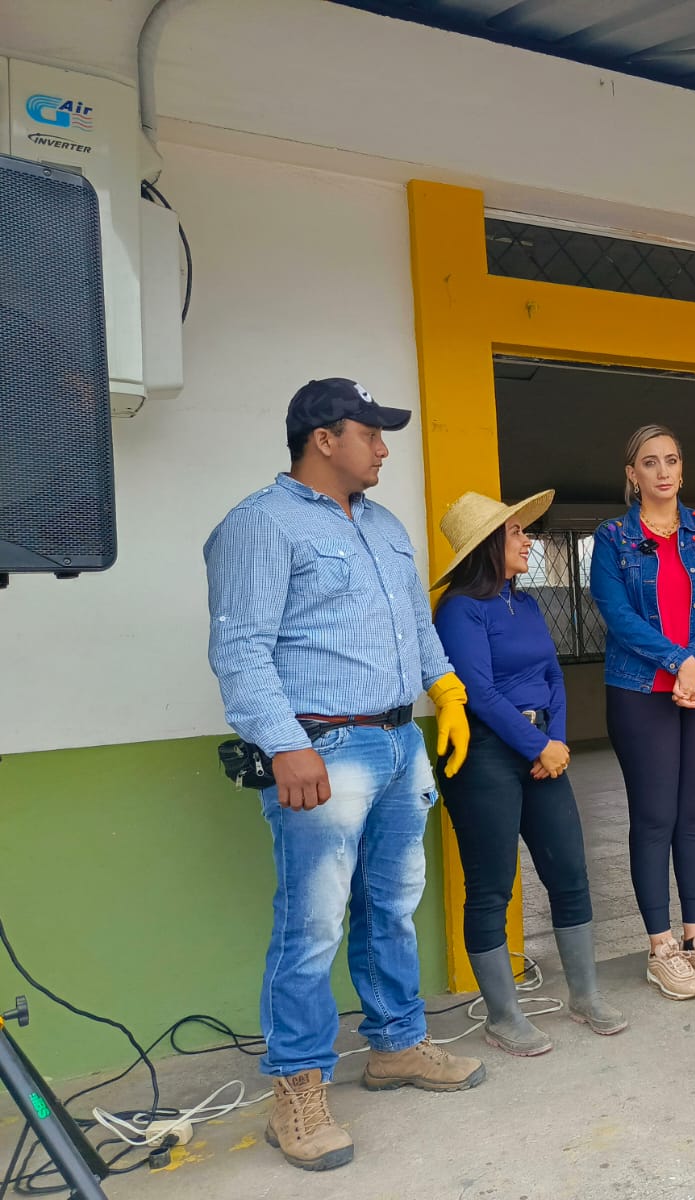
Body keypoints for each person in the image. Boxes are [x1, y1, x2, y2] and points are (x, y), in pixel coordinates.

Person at [204, 378, 483, 1173]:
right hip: (320, 749)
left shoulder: (385, 526)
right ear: (324, 439)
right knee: (313, 923)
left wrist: (447, 692)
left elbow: (418, 628)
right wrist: (282, 742)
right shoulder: (260, 523)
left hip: (398, 744)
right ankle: (297, 1089)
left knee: (391, 906)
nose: (384, 449)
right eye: (371, 433)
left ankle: (396, 1045)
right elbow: (240, 648)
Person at [432, 490, 628, 1054]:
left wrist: (556, 742)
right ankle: (502, 1017)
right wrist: (537, 746)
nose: (528, 540)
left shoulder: (530, 605)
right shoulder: (459, 609)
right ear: (487, 545)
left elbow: (553, 676)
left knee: (569, 872)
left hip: (542, 749)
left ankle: (585, 996)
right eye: (516, 532)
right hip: (485, 756)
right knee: (491, 887)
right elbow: (476, 692)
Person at [590, 424, 695, 1000]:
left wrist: (694, 662)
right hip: (640, 690)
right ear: (632, 475)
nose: (663, 471)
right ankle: (661, 947)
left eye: (672, 460)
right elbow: (615, 613)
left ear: (683, 469)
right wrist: (677, 661)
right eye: (650, 462)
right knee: (655, 817)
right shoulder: (612, 538)